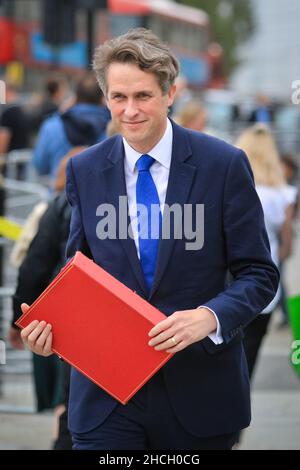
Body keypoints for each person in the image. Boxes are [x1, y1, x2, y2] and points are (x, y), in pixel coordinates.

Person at [20, 28, 279, 450]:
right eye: (119, 97)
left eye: (143, 96)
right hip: (106, 398)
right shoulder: (85, 170)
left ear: (170, 93)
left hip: (200, 391)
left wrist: (210, 317)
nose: (130, 110)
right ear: (105, 98)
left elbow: (259, 274)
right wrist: (54, 330)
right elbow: (77, 273)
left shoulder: (224, 165)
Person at [235, 124, 294, 377]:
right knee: (249, 358)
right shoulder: (283, 195)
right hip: (264, 286)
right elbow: (286, 250)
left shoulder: (233, 188)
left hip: (226, 285)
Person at [32, 72, 110, 181]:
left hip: (62, 194)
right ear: (102, 97)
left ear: (76, 96)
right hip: (105, 196)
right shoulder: (115, 127)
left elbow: (40, 165)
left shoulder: (52, 125)